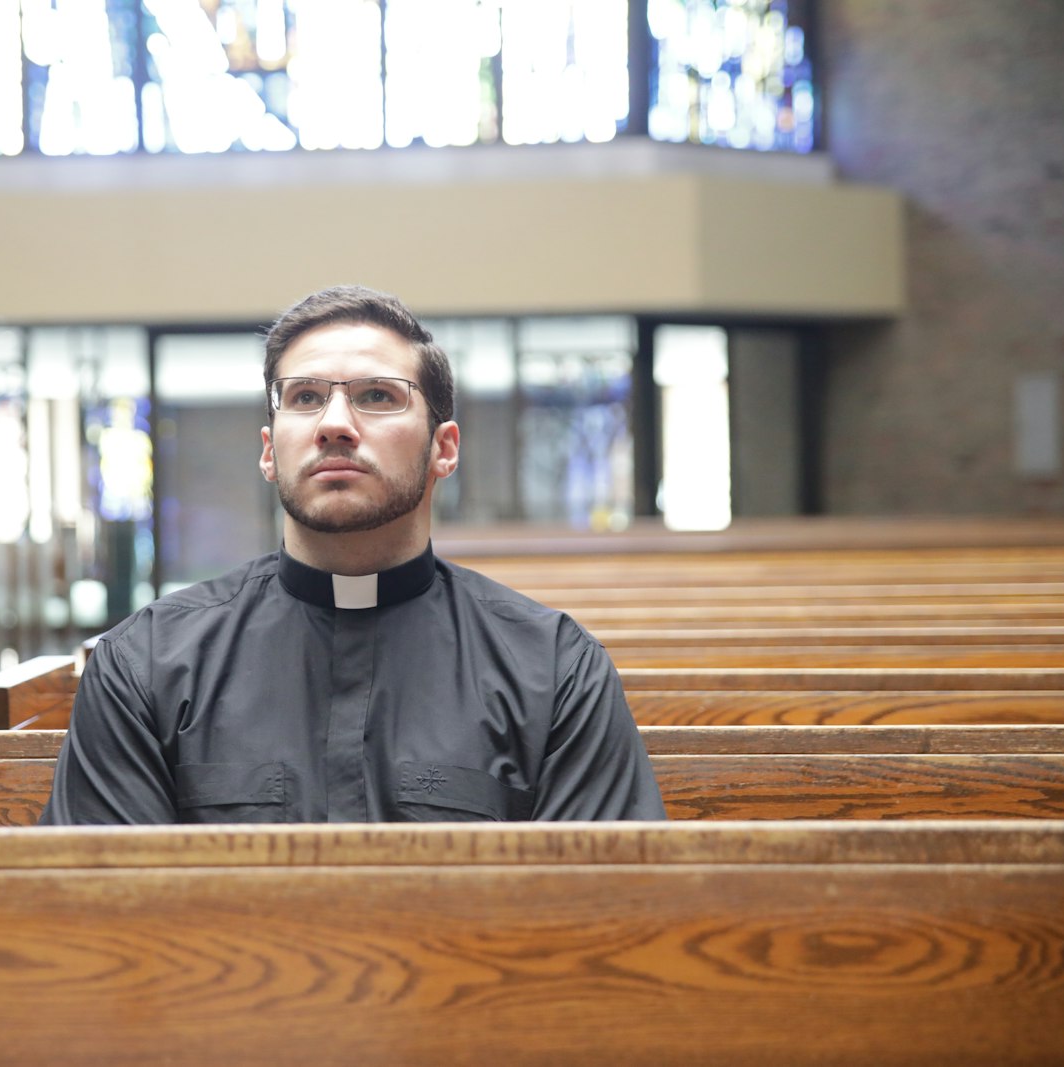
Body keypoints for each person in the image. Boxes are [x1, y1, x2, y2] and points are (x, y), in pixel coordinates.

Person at [40, 285, 664, 824]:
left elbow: (599, 912)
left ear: (444, 448)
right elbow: (104, 915)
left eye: (377, 396)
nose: (334, 423)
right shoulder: (145, 664)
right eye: (305, 397)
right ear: (269, 449)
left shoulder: (554, 669)